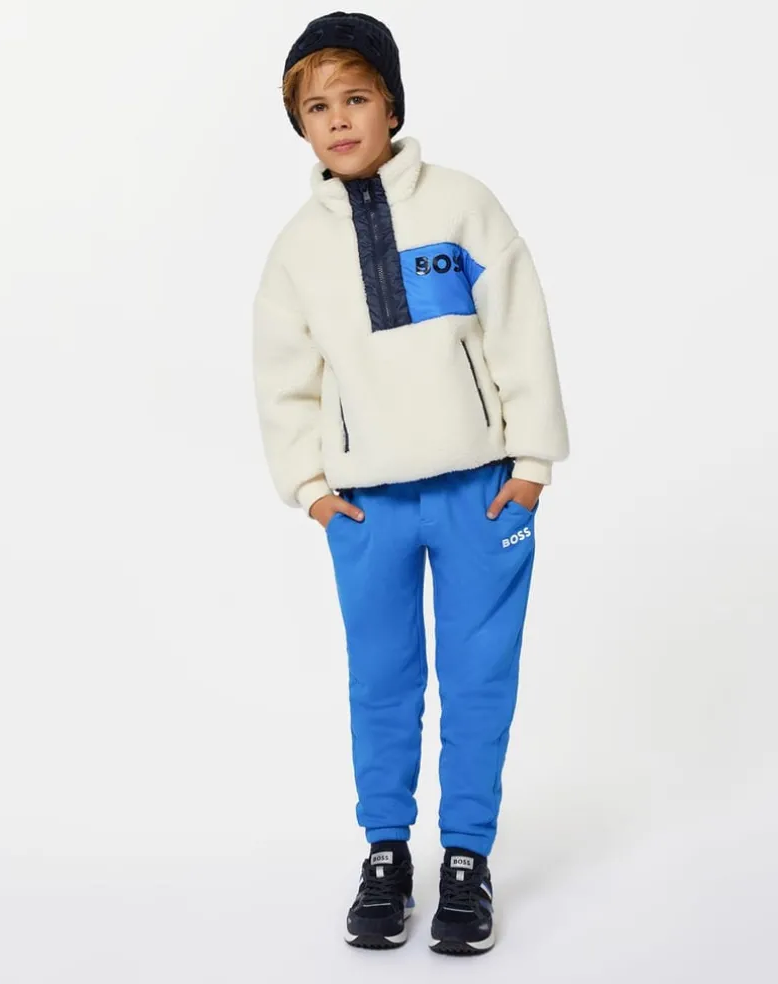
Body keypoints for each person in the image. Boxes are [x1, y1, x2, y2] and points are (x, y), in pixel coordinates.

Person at [252, 11, 569, 956]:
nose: (339, 120)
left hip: (482, 494)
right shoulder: (297, 250)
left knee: (479, 679)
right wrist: (310, 486)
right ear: (300, 126)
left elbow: (518, 328)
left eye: (356, 97)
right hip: (367, 507)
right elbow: (283, 375)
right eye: (318, 107)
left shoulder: (464, 205)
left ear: (391, 103)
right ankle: (385, 852)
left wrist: (532, 462)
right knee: (382, 682)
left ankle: (466, 857)